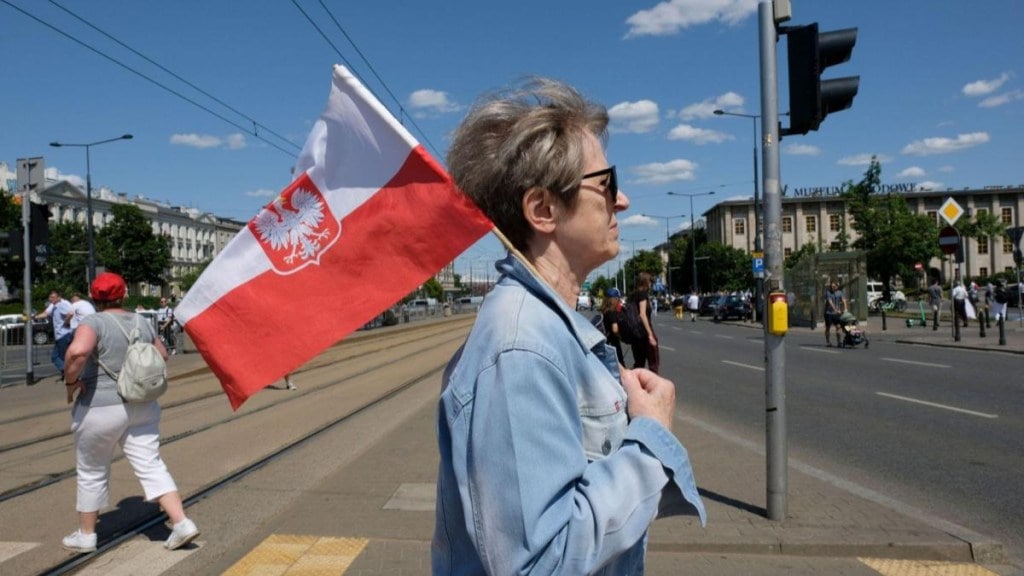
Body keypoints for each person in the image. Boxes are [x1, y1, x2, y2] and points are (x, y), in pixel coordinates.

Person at [433, 77, 705, 574]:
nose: (621, 202)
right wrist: (650, 439)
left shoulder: (545, 331)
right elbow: (542, 562)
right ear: (543, 209)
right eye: (607, 185)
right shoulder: (522, 347)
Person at [61, 272, 200, 553]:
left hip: (100, 407)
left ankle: (86, 535)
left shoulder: (93, 322)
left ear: (94, 297)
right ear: (123, 294)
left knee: (92, 470)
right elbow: (161, 354)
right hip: (142, 405)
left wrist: (71, 383)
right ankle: (182, 523)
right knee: (151, 465)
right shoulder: (141, 321)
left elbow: (77, 352)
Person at [36, 289, 75, 382]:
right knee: (58, 356)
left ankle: (70, 374)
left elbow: (70, 313)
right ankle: (68, 373)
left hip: (64, 335)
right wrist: (34, 317)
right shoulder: (53, 305)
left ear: (59, 297)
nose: (50, 299)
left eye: (53, 297)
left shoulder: (61, 304)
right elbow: (45, 313)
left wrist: (66, 321)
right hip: (60, 335)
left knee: (59, 357)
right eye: (50, 297)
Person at [630, 272, 660, 373]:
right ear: (645, 282)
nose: (651, 284)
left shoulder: (632, 295)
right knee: (653, 362)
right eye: (650, 281)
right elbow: (642, 315)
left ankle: (634, 385)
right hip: (643, 332)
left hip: (635, 333)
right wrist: (650, 334)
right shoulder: (642, 294)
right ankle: (653, 384)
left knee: (639, 363)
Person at [601, 288, 625, 365]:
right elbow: (615, 329)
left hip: (606, 342)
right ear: (614, 299)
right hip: (613, 343)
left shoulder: (604, 311)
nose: (619, 301)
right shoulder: (612, 312)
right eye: (618, 299)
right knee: (619, 365)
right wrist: (620, 336)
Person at [823, 281, 846, 347]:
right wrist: (835, 310)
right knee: (828, 327)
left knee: (838, 326)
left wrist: (845, 308)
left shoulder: (839, 293)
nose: (832, 287)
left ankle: (839, 342)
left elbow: (843, 300)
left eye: (834, 286)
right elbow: (830, 302)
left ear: (837, 287)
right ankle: (828, 342)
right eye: (831, 286)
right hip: (828, 313)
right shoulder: (828, 292)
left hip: (836, 314)